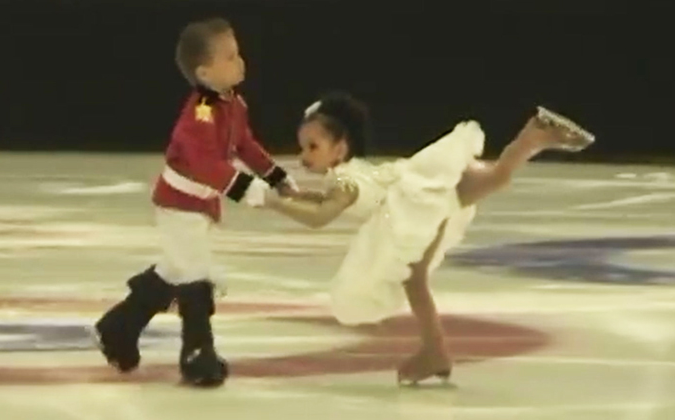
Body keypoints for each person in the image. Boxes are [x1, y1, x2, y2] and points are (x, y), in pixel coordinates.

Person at [262, 92, 594, 385]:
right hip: (418, 193)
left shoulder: (345, 184)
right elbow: (323, 201)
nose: (304, 155)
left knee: (491, 184)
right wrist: (295, 194)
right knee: (419, 273)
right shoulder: (345, 175)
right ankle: (537, 136)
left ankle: (536, 133)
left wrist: (273, 202)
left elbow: (322, 216)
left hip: (415, 202)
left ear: (340, 148)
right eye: (303, 146)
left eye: (313, 147)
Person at [93, 17, 296, 388]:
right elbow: (205, 163)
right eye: (231, 56)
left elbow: (244, 145)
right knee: (195, 279)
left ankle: (117, 328)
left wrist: (275, 176)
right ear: (205, 72)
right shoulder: (200, 112)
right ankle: (196, 354)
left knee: (174, 271)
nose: (241, 62)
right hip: (179, 204)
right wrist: (246, 188)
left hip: (198, 205)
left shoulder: (233, 104)